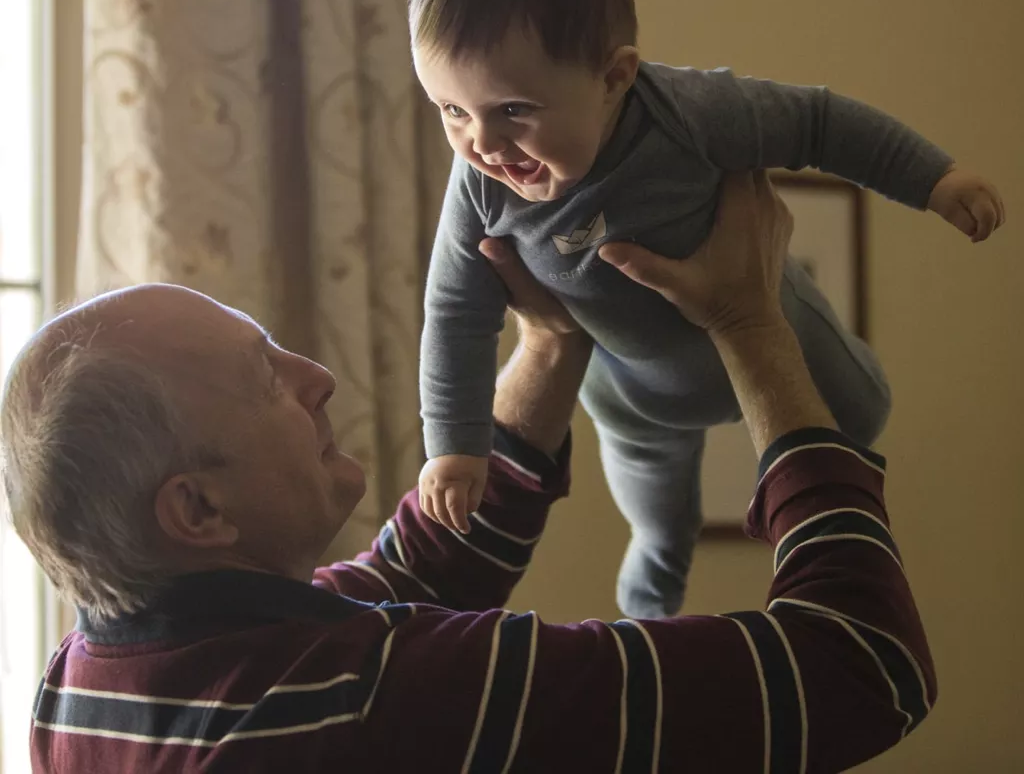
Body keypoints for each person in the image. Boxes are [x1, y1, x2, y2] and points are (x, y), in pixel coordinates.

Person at [1, 172, 935, 772]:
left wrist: (550, 340)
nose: (317, 380)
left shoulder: (83, 686)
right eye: (266, 380)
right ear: (197, 510)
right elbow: (859, 666)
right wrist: (750, 325)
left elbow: (412, 573)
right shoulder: (379, 701)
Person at [412, 0, 1006, 618]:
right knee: (660, 522)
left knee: (863, 412)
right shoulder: (479, 186)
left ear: (613, 78)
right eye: (450, 110)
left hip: (771, 322)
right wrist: (454, 445)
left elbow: (819, 123)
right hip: (634, 396)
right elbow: (454, 312)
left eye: (513, 110)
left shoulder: (689, 113)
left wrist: (935, 179)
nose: (482, 144)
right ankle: (650, 609)